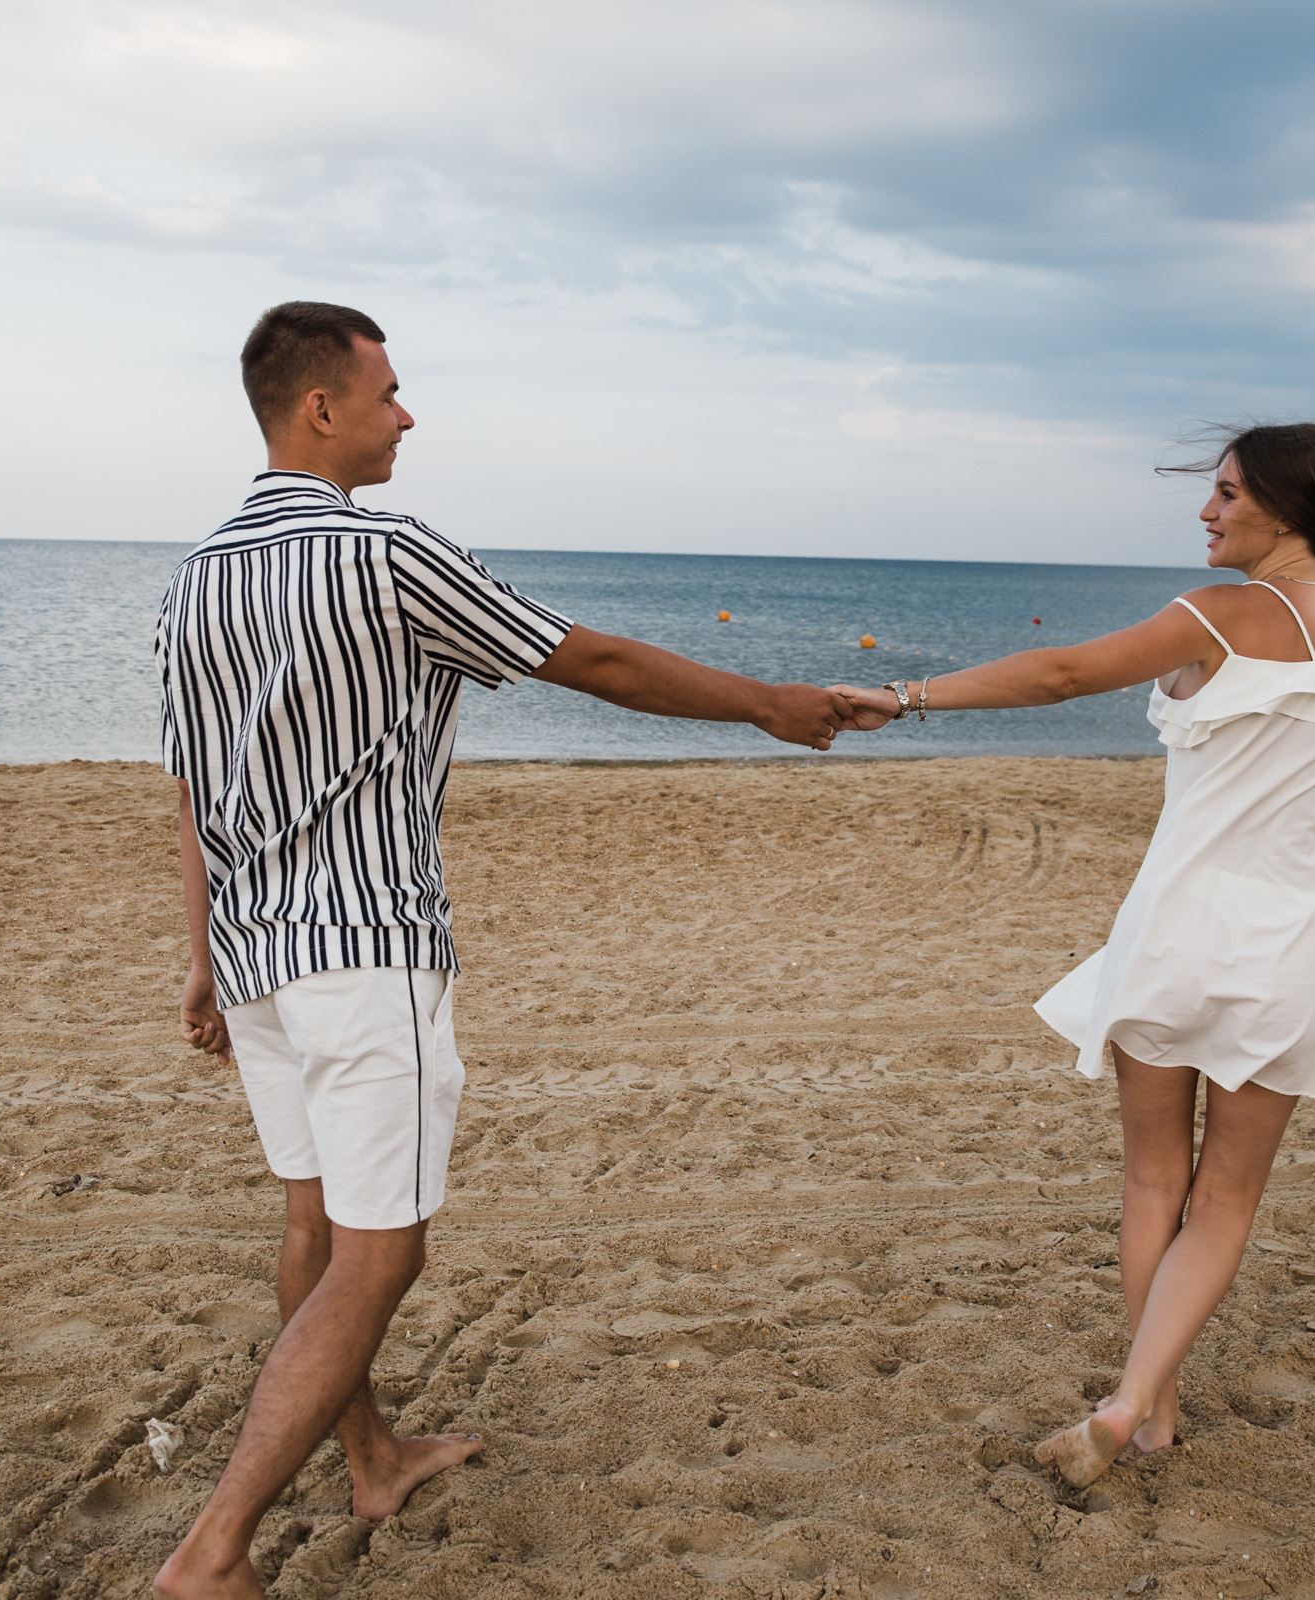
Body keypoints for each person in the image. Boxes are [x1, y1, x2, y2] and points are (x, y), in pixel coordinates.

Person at [152, 302, 858, 1600]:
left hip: (255, 954)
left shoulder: (194, 578)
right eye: (388, 393)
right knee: (383, 1252)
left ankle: (371, 1457)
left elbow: (198, 787)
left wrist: (201, 955)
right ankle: (214, 1549)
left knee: (314, 1219)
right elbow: (589, 658)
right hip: (362, 948)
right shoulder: (385, 552)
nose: (406, 415)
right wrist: (769, 703)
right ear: (320, 407)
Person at [836, 422, 1315, 1487]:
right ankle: (1136, 1401)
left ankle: (1146, 1415)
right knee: (1224, 1203)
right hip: (1286, 952)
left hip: (1173, 937)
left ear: (1286, 507)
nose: (1207, 511)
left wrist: (905, 696)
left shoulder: (1215, 615)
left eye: (1227, 493)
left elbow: (1061, 674)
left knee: (1154, 1181)